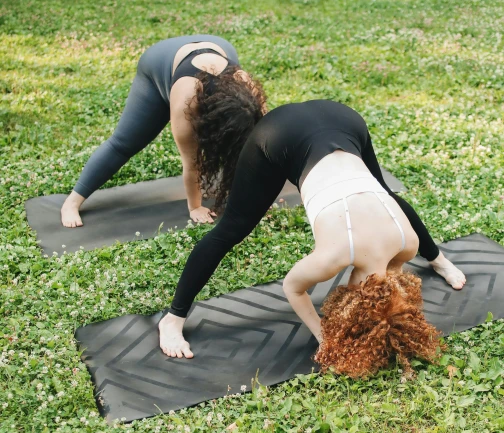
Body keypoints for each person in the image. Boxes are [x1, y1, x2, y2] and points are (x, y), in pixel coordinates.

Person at [158, 100, 466, 376]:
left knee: (388, 195)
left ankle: (439, 260)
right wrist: (324, 336)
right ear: (350, 297)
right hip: (280, 135)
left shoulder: (406, 243)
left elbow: (386, 291)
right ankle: (172, 319)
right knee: (232, 228)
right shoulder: (334, 256)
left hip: (343, 116)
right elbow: (292, 288)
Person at [61, 34, 266, 227]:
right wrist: (195, 206)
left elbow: (263, 146)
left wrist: (264, 189)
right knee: (124, 143)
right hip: (159, 62)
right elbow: (192, 163)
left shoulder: (246, 92)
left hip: (217, 46)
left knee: (246, 140)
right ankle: (71, 202)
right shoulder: (187, 97)